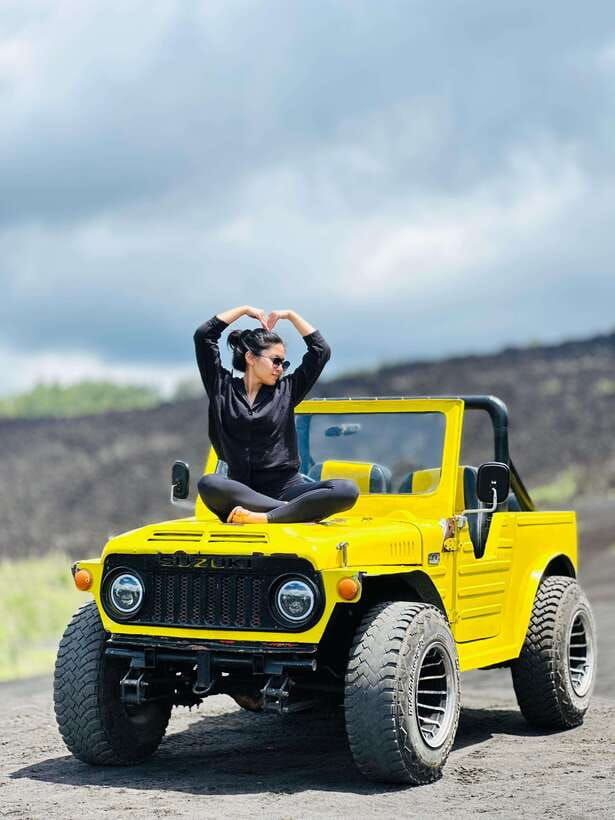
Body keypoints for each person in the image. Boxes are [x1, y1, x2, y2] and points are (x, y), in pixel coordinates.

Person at [194, 305, 359, 524]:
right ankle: (293, 512)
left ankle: (267, 517)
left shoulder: (287, 390)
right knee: (209, 483)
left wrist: (290, 315)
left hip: (286, 489)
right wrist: (243, 310)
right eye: (276, 361)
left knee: (346, 489)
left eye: (284, 363)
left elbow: (321, 350)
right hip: (240, 493)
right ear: (250, 357)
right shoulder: (221, 387)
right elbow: (204, 336)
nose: (280, 368)